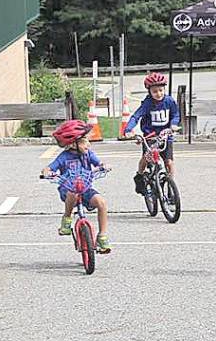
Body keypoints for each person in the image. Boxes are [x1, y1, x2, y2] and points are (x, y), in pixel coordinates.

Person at [42, 120, 111, 254]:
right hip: (67, 188)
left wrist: (103, 166)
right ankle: (67, 218)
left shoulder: (88, 154)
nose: (88, 145)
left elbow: (99, 163)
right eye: (85, 141)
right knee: (72, 193)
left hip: (85, 187)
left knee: (101, 203)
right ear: (74, 143)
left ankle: (102, 236)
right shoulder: (64, 157)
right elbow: (50, 167)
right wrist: (46, 172)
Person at [126, 72, 181, 194]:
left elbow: (176, 114)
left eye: (161, 90)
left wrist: (173, 124)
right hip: (150, 136)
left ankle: (171, 187)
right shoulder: (147, 103)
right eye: (155, 91)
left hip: (165, 135)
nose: (159, 94)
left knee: (169, 162)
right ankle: (139, 176)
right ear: (149, 91)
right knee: (146, 158)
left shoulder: (169, 101)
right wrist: (129, 130)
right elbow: (136, 116)